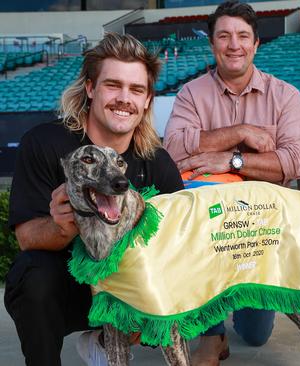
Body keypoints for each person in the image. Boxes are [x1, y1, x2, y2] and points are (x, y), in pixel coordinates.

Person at [3, 32, 183, 366]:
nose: (124, 98)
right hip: (71, 292)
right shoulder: (45, 142)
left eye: (136, 90)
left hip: (130, 292)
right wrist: (63, 225)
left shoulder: (156, 160)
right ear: (90, 88)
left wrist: (152, 310)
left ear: (147, 101)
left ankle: (107, 337)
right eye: (113, 85)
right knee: (33, 276)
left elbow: (181, 244)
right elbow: (26, 237)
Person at [162, 1, 300, 364]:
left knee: (256, 335)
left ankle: (236, 316)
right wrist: (241, 132)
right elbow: (175, 150)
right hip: (206, 227)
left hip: (262, 227)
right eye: (224, 36)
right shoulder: (191, 94)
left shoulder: (285, 96)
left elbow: (295, 161)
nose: (234, 45)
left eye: (243, 36)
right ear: (212, 45)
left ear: (256, 44)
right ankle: (211, 335)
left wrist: (231, 159)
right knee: (188, 242)